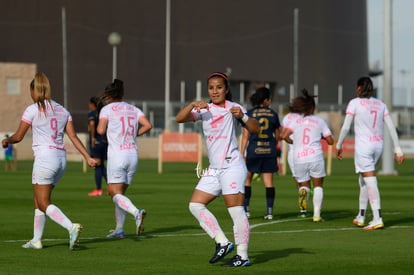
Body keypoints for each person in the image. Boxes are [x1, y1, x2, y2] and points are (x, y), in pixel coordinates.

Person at [1, 72, 97, 250]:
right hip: (61, 160)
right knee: (39, 200)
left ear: (33, 90)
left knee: (44, 202)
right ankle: (36, 240)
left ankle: (71, 227)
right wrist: (87, 157)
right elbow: (74, 137)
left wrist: (7, 140)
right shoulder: (62, 110)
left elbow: (19, 136)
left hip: (45, 159)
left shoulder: (32, 109)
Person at [176, 72, 259, 267]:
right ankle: (222, 242)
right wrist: (192, 104)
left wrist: (244, 116)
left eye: (219, 87)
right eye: (211, 87)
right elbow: (180, 118)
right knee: (195, 205)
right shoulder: (204, 109)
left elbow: (255, 129)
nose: (215, 91)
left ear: (226, 89)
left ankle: (243, 256)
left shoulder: (234, 108)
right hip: (214, 169)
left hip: (232, 166)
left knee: (236, 210)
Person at [336, 76, 404, 230]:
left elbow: (346, 127)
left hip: (364, 147)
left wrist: (339, 144)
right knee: (363, 180)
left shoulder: (354, 103)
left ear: (359, 88)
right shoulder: (381, 104)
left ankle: (377, 217)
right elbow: (391, 127)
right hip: (378, 146)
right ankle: (361, 215)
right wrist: (398, 148)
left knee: (370, 180)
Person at [96, 79, 152, 239]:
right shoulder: (134, 108)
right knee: (120, 194)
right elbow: (148, 125)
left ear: (109, 95)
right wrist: (134, 134)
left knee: (113, 192)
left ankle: (136, 212)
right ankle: (119, 229)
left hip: (117, 155)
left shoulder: (107, 109)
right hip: (133, 155)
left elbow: (100, 130)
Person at [280, 89, 334, 222]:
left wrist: (294, 141)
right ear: (313, 107)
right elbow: (330, 141)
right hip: (315, 156)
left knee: (303, 184)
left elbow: (283, 135)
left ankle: (303, 199)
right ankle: (316, 215)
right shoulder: (319, 121)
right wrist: (319, 136)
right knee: (318, 186)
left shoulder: (296, 121)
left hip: (299, 157)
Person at [240, 87, 280, 220]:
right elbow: (277, 136)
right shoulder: (273, 114)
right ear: (266, 100)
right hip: (269, 151)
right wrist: (271, 146)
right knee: (268, 182)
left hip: (253, 150)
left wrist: (242, 153)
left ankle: (246, 210)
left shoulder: (250, 113)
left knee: (247, 180)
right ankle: (269, 212)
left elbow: (245, 136)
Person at [87, 96, 108, 196]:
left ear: (92, 104)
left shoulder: (92, 114)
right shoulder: (103, 113)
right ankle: (111, 186)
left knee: (97, 165)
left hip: (97, 141)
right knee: (102, 165)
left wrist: (92, 137)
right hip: (105, 141)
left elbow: (91, 124)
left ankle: (98, 189)